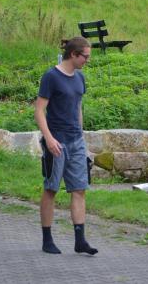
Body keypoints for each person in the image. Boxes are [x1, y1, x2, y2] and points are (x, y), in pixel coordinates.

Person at [34, 36, 98, 255]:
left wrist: (82, 137)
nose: (87, 60)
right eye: (85, 56)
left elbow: (77, 107)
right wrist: (49, 139)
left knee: (79, 189)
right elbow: (39, 110)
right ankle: (47, 239)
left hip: (76, 141)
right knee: (51, 188)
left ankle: (80, 241)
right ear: (73, 55)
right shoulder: (51, 77)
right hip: (56, 141)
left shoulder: (80, 78)